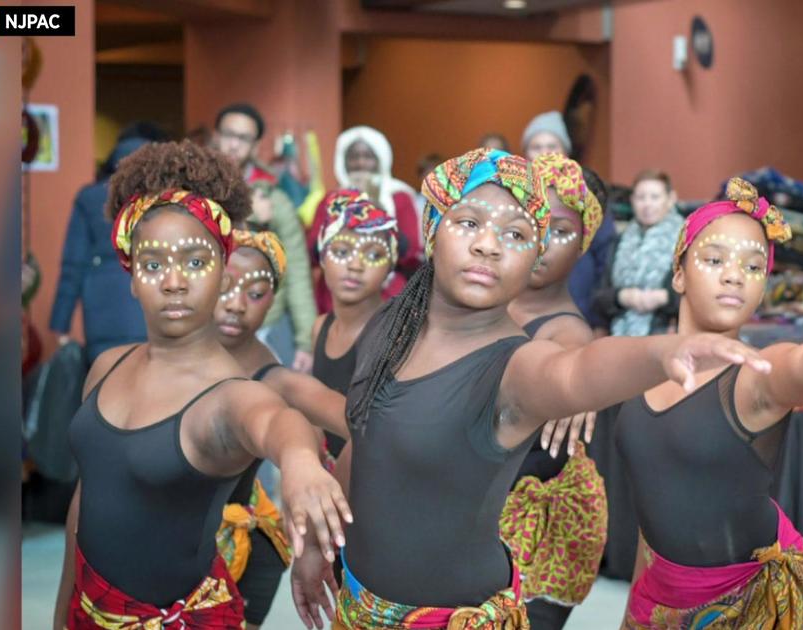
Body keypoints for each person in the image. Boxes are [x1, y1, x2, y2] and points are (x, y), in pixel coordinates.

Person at [287, 148, 772, 630]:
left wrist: (659, 353)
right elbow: (367, 443)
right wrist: (317, 547)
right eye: (470, 223)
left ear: (534, 256)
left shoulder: (514, 366)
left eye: (515, 234)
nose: (489, 245)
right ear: (433, 228)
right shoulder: (390, 327)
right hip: (356, 604)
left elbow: (576, 371)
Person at [53, 140, 352, 630]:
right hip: (87, 611)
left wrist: (300, 463)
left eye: (195, 262)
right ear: (131, 275)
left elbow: (278, 421)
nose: (174, 282)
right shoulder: (106, 366)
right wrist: (62, 612)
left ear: (221, 268)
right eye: (153, 264)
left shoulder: (231, 394)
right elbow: (85, 501)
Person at [615, 178, 803, 629]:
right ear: (679, 272)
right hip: (659, 597)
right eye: (715, 259)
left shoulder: (751, 376)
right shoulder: (646, 366)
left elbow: (800, 368)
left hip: (748, 608)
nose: (734, 275)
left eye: (754, 266)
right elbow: (655, 507)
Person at [500, 153, 608, 629]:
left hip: (538, 536)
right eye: (531, 224)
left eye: (560, 231)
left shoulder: (567, 332)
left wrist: (575, 381)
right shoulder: (488, 306)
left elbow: (571, 358)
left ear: (582, 245)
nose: (541, 243)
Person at [212, 228, 295, 629]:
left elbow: (300, 422)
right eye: (224, 286)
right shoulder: (159, 363)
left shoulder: (270, 374)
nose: (235, 305)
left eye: (255, 293)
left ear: (272, 302)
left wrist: (304, 466)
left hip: (245, 545)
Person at [213, 102, 317, 371]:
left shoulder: (274, 199)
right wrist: (247, 215)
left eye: (243, 138)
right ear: (216, 136)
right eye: (228, 135)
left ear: (256, 145)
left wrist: (306, 341)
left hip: (265, 320)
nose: (234, 145)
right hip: (207, 320)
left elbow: (296, 271)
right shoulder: (195, 191)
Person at [50, 122, 167, 360]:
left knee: (105, 386)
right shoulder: (165, 197)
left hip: (101, 310)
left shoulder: (89, 196)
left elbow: (73, 264)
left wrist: (60, 324)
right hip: (152, 306)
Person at [310, 192, 398, 461]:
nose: (355, 265)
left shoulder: (393, 331)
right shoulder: (321, 326)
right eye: (342, 251)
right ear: (324, 258)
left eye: (373, 254)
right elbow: (315, 415)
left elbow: (384, 433)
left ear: (390, 267)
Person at [520, 110, 616, 327]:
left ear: (566, 152)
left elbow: (606, 261)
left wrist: (600, 319)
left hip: (582, 310)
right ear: (525, 154)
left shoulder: (586, 198)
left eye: (552, 146)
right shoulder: (513, 196)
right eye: (537, 147)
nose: (545, 153)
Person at [593, 170, 683, 337]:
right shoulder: (620, 241)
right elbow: (599, 296)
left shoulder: (685, 240)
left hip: (666, 338)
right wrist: (621, 297)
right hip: (619, 337)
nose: (647, 204)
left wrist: (666, 298)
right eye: (641, 197)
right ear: (632, 200)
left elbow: (696, 297)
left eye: (655, 197)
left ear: (671, 199)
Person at [328, 125, 423, 277]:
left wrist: (375, 211)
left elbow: (411, 254)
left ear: (380, 160)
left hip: (390, 290)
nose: (361, 163)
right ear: (343, 162)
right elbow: (315, 252)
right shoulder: (332, 199)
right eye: (353, 157)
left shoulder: (399, 196)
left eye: (368, 157)